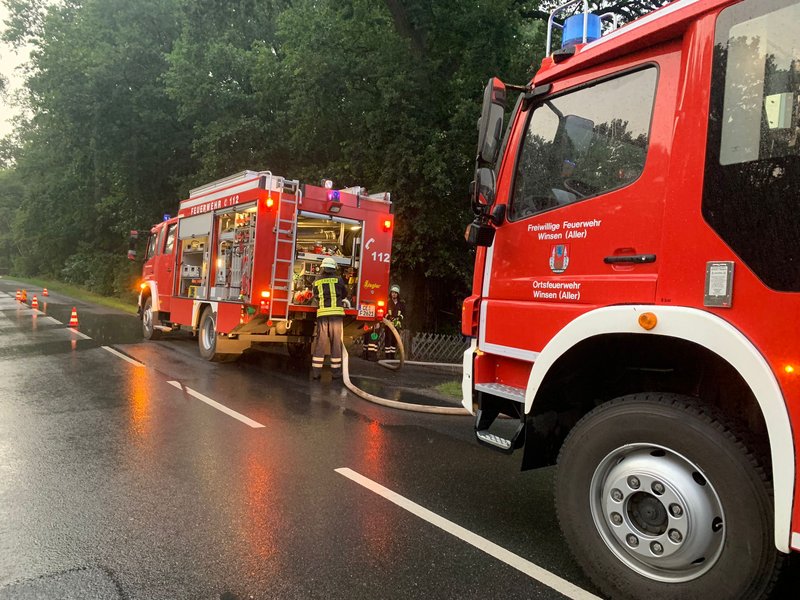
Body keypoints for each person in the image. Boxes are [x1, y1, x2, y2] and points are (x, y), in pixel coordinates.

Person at [311, 256, 348, 379]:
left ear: (322, 268)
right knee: (335, 343)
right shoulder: (339, 279)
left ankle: (316, 372)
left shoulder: (317, 280)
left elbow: (315, 295)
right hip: (336, 316)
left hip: (322, 315)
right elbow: (344, 294)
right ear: (334, 268)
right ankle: (336, 373)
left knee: (320, 343)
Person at [383, 284, 406, 360]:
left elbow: (404, 313)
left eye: (395, 293)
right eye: (393, 292)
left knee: (394, 340)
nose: (394, 294)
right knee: (388, 339)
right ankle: (387, 356)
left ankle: (392, 356)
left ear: (398, 294)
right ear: (391, 293)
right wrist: (388, 316)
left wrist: (400, 317)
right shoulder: (387, 302)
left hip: (396, 325)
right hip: (389, 324)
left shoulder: (401, 303)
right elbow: (384, 312)